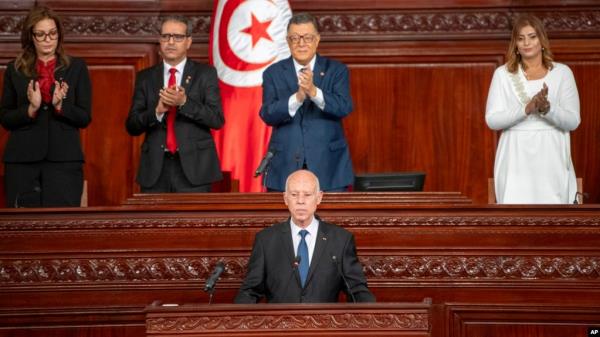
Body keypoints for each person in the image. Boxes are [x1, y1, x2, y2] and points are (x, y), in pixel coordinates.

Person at [235, 169, 375, 303]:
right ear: (285, 198)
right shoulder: (266, 240)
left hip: (324, 325)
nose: (300, 201)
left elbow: (357, 290)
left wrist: (372, 317)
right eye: (294, 195)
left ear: (319, 198)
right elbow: (250, 291)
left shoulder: (340, 240)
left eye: (307, 195)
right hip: (280, 325)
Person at [0, 6, 91, 207]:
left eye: (52, 33)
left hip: (64, 161)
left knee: (61, 228)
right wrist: (30, 109)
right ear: (31, 37)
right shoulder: (14, 69)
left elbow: (84, 117)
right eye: (40, 34)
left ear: (59, 35)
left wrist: (60, 106)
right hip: (22, 161)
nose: (48, 39)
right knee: (23, 229)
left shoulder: (76, 67)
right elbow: (5, 117)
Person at [485, 14, 580, 204]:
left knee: (553, 218)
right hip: (515, 156)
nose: (526, 43)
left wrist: (547, 109)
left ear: (542, 40)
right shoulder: (503, 74)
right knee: (515, 216)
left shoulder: (562, 73)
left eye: (532, 36)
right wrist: (526, 109)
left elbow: (573, 121)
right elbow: (492, 120)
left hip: (551, 155)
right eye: (521, 38)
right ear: (515, 44)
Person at [126, 15, 224, 193]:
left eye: (177, 37)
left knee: (193, 221)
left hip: (195, 169)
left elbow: (216, 119)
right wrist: (157, 111)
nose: (170, 42)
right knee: (154, 222)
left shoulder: (205, 74)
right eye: (165, 36)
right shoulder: (145, 77)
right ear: (160, 40)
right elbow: (132, 125)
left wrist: (184, 102)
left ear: (188, 42)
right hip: (156, 169)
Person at [259, 13, 354, 192]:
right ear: (288, 41)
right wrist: (298, 97)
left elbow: (344, 107)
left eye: (307, 37)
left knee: (331, 219)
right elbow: (268, 114)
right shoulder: (273, 73)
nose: (301, 43)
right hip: (284, 165)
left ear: (317, 39)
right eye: (295, 38)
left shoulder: (336, 70)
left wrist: (313, 92)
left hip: (330, 167)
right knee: (282, 220)